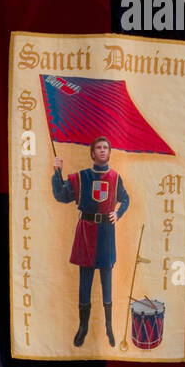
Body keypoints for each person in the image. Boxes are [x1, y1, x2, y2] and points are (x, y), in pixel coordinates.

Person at [52, 135, 130, 347]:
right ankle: (83, 327)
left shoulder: (115, 177)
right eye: (99, 147)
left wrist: (119, 213)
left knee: (107, 282)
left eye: (106, 147)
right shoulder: (81, 177)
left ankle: (108, 326)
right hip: (86, 231)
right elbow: (61, 195)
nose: (103, 150)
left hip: (105, 233)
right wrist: (57, 172)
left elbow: (126, 198)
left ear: (109, 152)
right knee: (84, 284)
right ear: (93, 153)